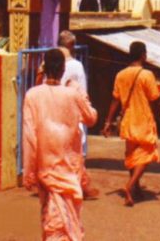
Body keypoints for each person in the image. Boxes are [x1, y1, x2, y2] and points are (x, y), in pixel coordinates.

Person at [22, 49, 98, 241]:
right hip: (69, 168)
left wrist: (29, 172)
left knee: (53, 223)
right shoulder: (72, 94)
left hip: (46, 168)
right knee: (66, 222)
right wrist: (80, 92)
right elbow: (91, 118)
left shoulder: (32, 95)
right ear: (63, 69)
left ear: (44, 68)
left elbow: (30, 137)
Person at [102, 41, 160, 206]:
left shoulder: (120, 75)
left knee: (131, 156)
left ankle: (136, 188)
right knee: (147, 154)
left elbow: (115, 100)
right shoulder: (147, 75)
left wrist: (108, 121)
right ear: (143, 55)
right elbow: (155, 99)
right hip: (143, 120)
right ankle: (130, 186)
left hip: (128, 121)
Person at [57, 30, 97, 200]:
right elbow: (82, 92)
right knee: (76, 152)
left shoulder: (51, 61)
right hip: (72, 113)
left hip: (54, 112)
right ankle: (76, 186)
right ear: (71, 45)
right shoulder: (76, 66)